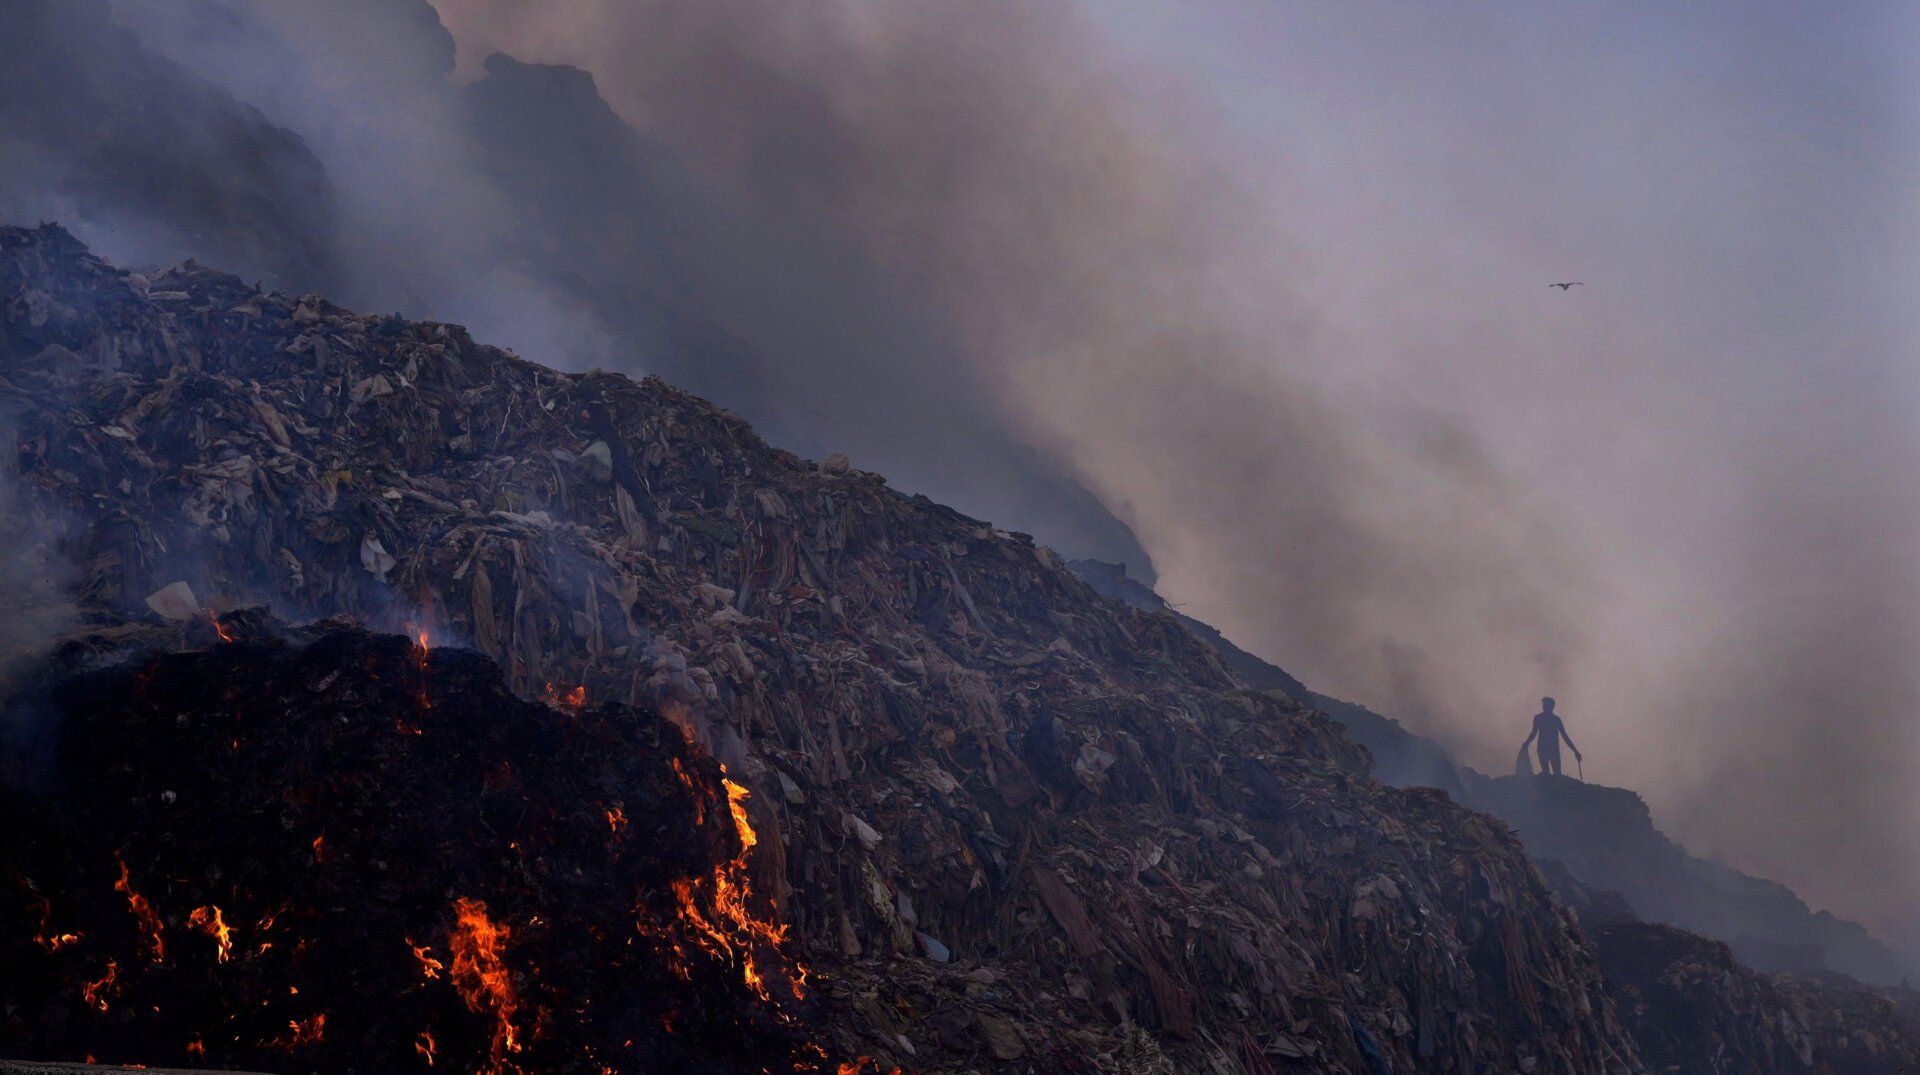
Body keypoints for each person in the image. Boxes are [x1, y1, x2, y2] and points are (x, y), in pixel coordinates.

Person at [1520, 696, 1582, 777]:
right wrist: (1527, 743)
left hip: (1551, 750)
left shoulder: (1554, 720)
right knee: (1550, 774)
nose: (1543, 707)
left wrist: (1575, 751)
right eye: (1544, 705)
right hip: (1546, 749)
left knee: (1555, 774)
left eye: (1545, 705)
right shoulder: (1545, 718)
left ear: (1551, 707)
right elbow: (1534, 733)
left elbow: (1565, 736)